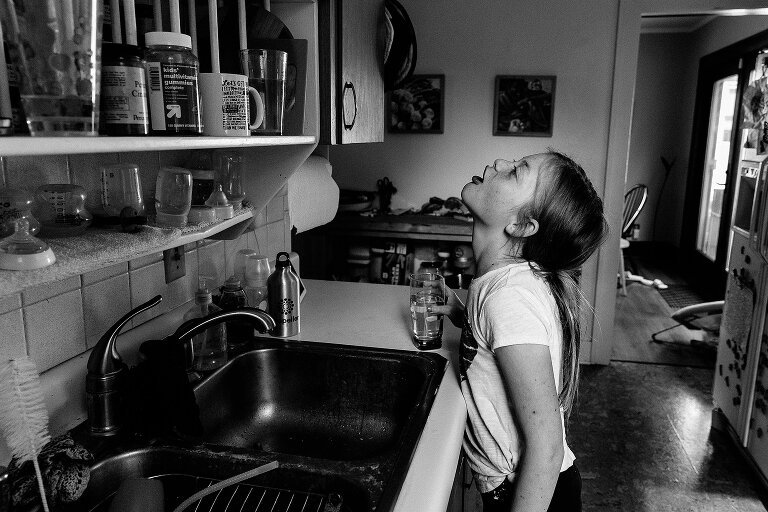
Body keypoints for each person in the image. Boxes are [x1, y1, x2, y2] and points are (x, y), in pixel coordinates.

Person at [438, 150, 608, 512]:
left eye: (516, 172)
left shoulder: (509, 297)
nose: (499, 163)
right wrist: (460, 311)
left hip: (531, 494)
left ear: (521, 225)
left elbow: (546, 446)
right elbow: (498, 333)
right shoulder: (505, 284)